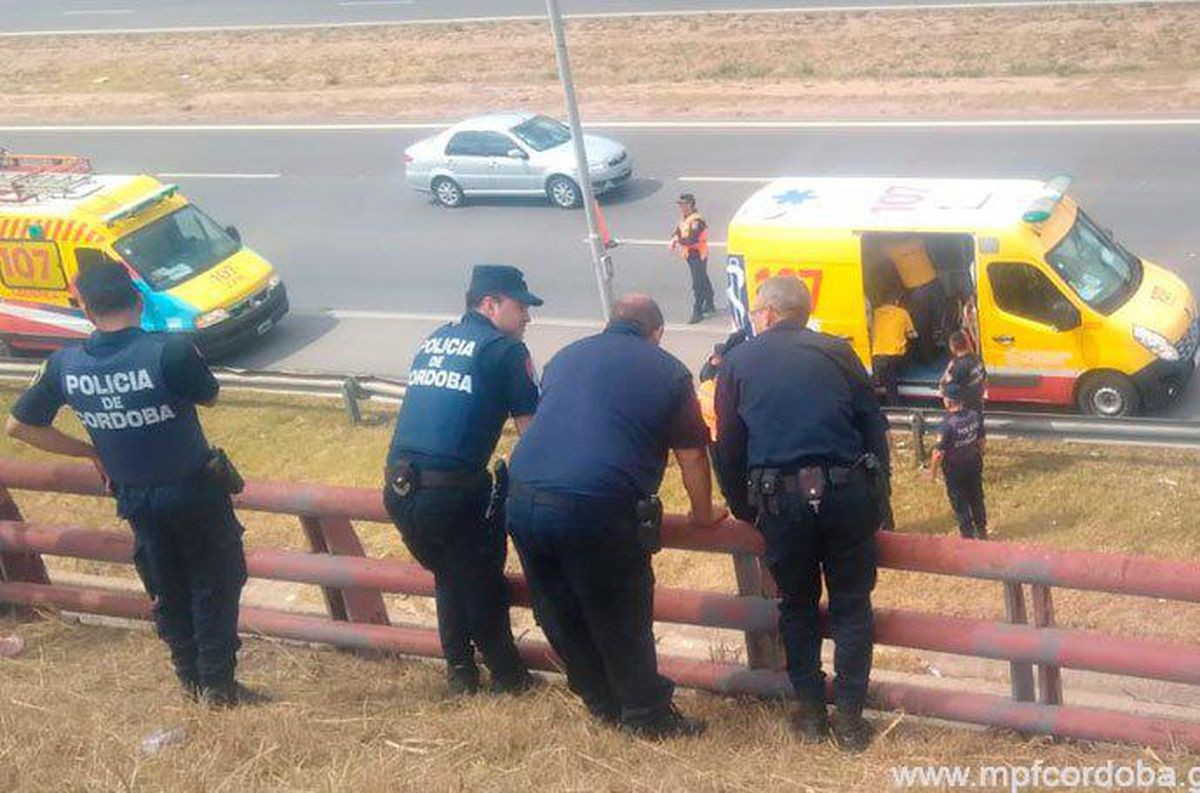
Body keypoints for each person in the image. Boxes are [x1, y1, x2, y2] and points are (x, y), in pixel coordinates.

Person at [5, 262, 254, 706]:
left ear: (86, 310)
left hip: (133, 496)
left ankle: (190, 679)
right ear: (139, 301)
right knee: (215, 581)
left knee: (167, 585)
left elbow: (20, 427)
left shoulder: (64, 364)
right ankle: (219, 687)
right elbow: (210, 397)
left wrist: (90, 450)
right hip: (193, 489)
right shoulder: (170, 352)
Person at [507, 294, 722, 738]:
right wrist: (703, 515)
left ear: (610, 323)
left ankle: (601, 702)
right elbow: (692, 457)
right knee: (621, 612)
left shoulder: (565, 358)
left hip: (523, 499)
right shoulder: (666, 370)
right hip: (596, 505)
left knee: (559, 610)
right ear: (656, 333)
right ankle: (647, 716)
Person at [713, 275, 891, 753]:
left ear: (769, 313)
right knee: (853, 604)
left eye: (756, 311)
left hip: (780, 501)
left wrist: (743, 508)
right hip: (846, 492)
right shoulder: (838, 351)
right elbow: (873, 423)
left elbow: (728, 446)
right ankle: (851, 720)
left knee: (797, 604)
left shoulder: (738, 362)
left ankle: (810, 712)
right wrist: (879, 496)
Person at [383, 264, 542, 696]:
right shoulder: (505, 351)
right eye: (521, 306)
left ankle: (460, 672)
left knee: (450, 575)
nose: (528, 316)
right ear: (490, 304)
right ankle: (508, 678)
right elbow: (533, 432)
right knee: (482, 580)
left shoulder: (437, 338)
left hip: (399, 486)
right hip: (451, 491)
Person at [927, 383, 987, 540]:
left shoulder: (946, 425)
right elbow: (982, 440)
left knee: (960, 503)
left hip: (955, 470)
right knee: (976, 497)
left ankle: (967, 536)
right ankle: (982, 530)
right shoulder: (975, 415)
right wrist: (980, 454)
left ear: (948, 401)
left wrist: (931, 473)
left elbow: (938, 453)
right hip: (974, 463)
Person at [883, 236, 951, 362]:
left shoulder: (889, 250)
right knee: (945, 322)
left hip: (917, 292)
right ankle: (955, 355)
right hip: (934, 285)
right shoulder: (917, 241)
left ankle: (928, 359)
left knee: (922, 328)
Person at [669, 193, 715, 324]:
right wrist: (674, 238)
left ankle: (698, 311)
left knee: (698, 283)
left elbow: (691, 240)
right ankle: (710, 303)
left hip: (698, 254)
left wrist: (678, 240)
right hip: (690, 255)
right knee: (703, 278)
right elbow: (678, 231)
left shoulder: (696, 221)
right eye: (680, 205)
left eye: (684, 204)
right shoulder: (685, 219)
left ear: (691, 205)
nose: (682, 207)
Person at [870, 297, 916, 404]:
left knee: (885, 376)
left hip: (877, 355)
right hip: (894, 356)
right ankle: (895, 404)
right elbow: (912, 334)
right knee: (890, 380)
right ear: (896, 301)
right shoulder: (903, 312)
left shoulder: (875, 313)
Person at [939, 330, 987, 412]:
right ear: (966, 344)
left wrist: (948, 369)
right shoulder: (977, 359)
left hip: (966, 409)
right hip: (978, 404)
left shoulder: (958, 367)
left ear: (952, 347)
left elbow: (945, 388)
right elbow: (984, 378)